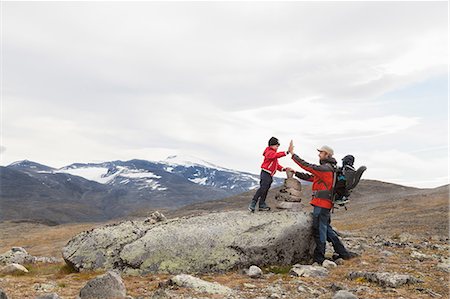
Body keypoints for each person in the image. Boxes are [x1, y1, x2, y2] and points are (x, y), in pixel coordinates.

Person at [288, 141, 357, 264]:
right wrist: (296, 173)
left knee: (319, 230)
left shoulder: (325, 168)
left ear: (327, 154)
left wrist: (293, 155)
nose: (319, 155)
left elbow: (308, 166)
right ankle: (343, 253)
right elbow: (311, 177)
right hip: (324, 204)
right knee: (326, 229)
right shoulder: (329, 169)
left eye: (321, 152)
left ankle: (319, 257)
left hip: (322, 204)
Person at [248, 137, 293, 212]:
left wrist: (284, 169)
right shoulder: (269, 152)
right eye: (276, 146)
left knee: (265, 189)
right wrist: (287, 152)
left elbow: (276, 165)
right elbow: (274, 155)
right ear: (271, 145)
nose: (277, 147)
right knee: (262, 188)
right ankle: (253, 203)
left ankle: (261, 204)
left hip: (269, 174)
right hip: (265, 173)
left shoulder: (273, 153)